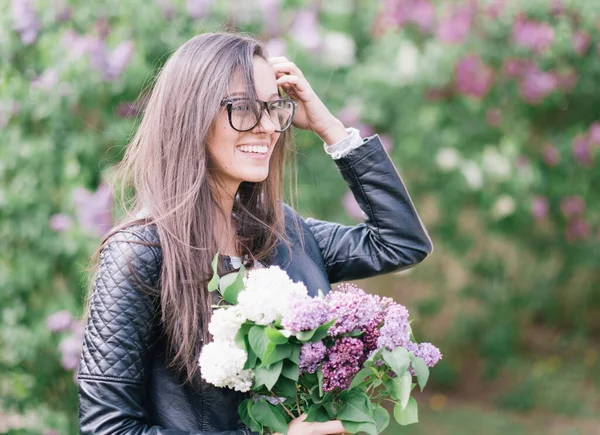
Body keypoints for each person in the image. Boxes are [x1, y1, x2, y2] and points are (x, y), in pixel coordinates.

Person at [77, 32, 433, 435]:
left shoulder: (282, 232)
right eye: (244, 109)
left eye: (274, 107)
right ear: (191, 114)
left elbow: (401, 242)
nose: (267, 127)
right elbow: (107, 428)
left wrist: (329, 127)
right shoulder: (140, 252)